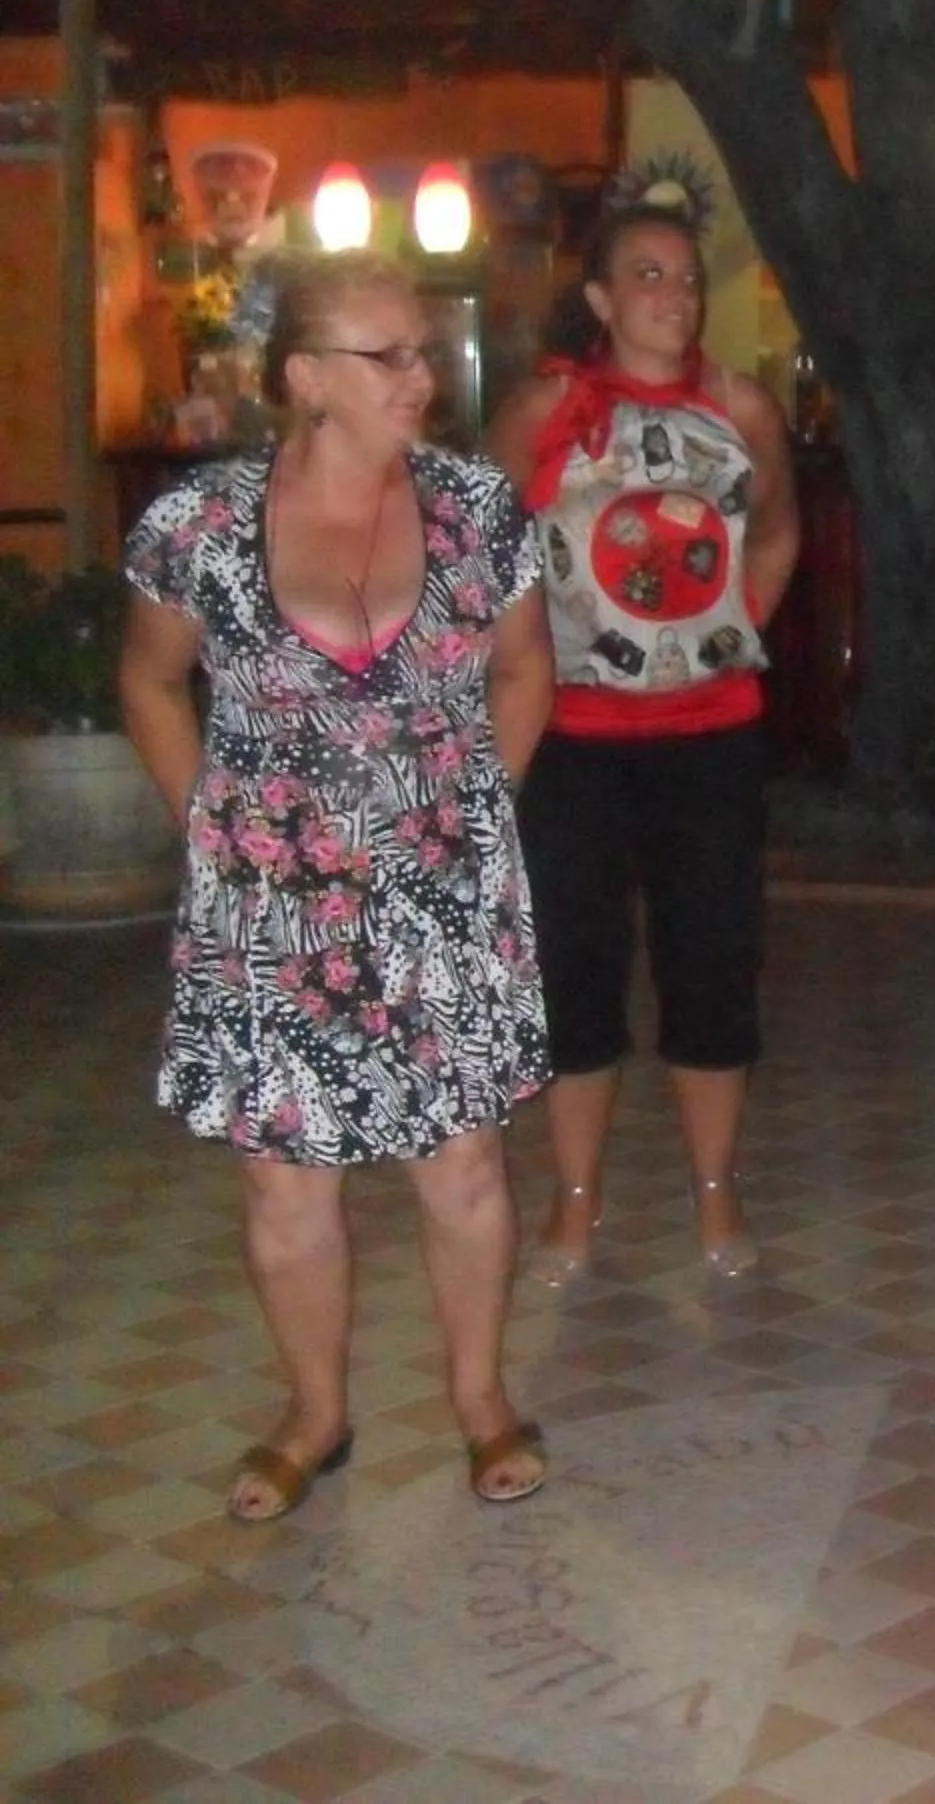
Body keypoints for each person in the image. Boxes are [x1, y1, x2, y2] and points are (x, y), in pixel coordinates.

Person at [117, 249, 555, 1517]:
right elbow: (149, 681)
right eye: (390, 356)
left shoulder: (479, 511)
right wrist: (210, 820)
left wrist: (477, 813)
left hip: (439, 894)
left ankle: (479, 1397)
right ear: (305, 378)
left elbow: (525, 672)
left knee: (462, 1166)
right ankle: (315, 1412)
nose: (423, 376)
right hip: (269, 909)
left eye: (425, 351)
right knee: (282, 1175)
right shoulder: (197, 529)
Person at [485, 192, 799, 1287]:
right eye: (650, 275)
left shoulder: (742, 408)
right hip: (570, 733)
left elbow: (780, 531)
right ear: (602, 298)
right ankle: (576, 1198)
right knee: (576, 964)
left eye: (687, 276)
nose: (675, 295)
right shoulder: (544, 410)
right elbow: (483, 546)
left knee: (711, 961)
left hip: (709, 734)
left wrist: (727, 633)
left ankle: (716, 1185)